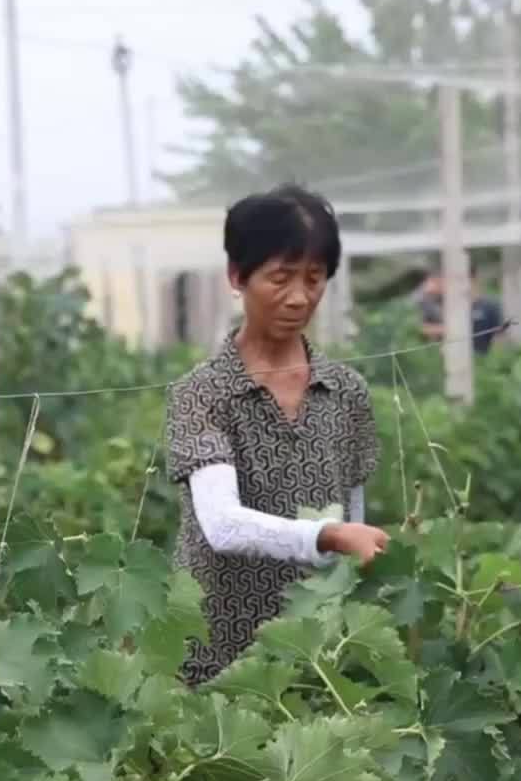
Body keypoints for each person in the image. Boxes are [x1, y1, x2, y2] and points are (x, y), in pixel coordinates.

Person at [164, 184, 392, 685]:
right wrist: (330, 538)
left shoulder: (346, 390)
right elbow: (222, 526)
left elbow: (354, 513)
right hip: (218, 648)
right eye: (280, 278)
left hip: (317, 655)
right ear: (236, 277)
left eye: (314, 279)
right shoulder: (202, 393)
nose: (299, 297)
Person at [418, 270, 506, 356]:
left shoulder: (490, 305)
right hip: (453, 360)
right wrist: (448, 329)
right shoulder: (445, 304)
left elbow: (499, 337)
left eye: (461, 279)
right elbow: (424, 328)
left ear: (473, 279)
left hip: (482, 359)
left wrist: (493, 360)